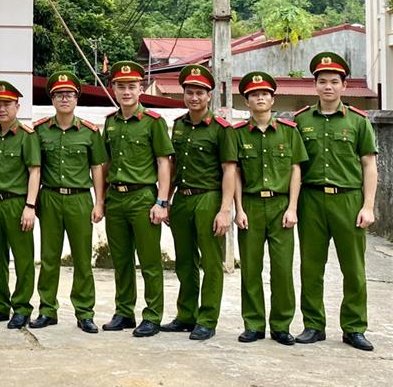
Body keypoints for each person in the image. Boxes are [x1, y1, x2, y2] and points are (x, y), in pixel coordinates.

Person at [294, 52, 378, 352]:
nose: (327, 87)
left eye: (334, 81)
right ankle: (313, 325)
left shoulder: (357, 121)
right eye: (322, 81)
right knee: (311, 267)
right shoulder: (301, 120)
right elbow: (295, 168)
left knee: (353, 268)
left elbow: (369, 164)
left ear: (344, 85)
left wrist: (368, 206)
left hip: (348, 199)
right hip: (311, 199)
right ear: (314, 85)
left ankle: (354, 327)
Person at [225, 71, 306, 346]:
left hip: (281, 204)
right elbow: (234, 172)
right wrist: (239, 209)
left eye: (265, 94)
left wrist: (292, 207)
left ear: (273, 99)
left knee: (282, 268)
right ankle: (254, 324)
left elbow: (296, 171)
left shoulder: (289, 131)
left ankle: (281, 325)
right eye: (254, 95)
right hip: (250, 204)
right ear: (246, 101)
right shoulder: (236, 134)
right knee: (250, 268)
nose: (260, 98)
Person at [162, 65, 236, 341]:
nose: (194, 97)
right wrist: (166, 199)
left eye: (200, 93)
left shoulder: (221, 129)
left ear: (209, 96)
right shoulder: (179, 125)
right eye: (189, 92)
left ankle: (207, 318)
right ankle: (186, 315)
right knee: (184, 260)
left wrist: (225, 210)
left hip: (208, 198)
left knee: (211, 262)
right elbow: (172, 164)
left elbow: (229, 170)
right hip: (182, 198)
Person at [101, 61, 173, 338]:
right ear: (114, 89)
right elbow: (105, 162)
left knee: (150, 261)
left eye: (132, 86)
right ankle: (124, 312)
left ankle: (153, 315)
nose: (126, 92)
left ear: (141, 89)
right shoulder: (110, 123)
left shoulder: (153, 122)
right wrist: (102, 199)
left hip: (143, 196)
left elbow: (163, 162)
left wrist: (162, 201)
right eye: (121, 87)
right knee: (121, 260)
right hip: (115, 198)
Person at [31, 71, 107, 333]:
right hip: (50, 197)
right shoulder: (41, 131)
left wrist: (99, 202)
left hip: (79, 199)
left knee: (83, 259)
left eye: (69, 94)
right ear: (52, 99)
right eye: (59, 94)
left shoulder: (89, 132)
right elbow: (35, 168)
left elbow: (97, 167)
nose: (65, 99)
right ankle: (47, 310)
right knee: (49, 258)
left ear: (76, 98)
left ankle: (84, 312)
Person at [0, 80, 41, 330]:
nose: (2, 108)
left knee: (23, 258)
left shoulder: (27, 136)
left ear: (17, 105)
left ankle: (22, 308)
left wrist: (30, 205)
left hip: (17, 204)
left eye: (6, 104)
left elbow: (34, 171)